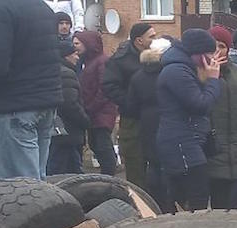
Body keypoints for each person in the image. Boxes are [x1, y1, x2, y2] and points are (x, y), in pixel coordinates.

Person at [0, 0, 61, 181]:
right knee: (37, 185)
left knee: (18, 190)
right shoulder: (42, 7)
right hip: (44, 103)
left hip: (13, 106)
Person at [157, 29, 224, 211]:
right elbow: (201, 104)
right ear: (198, 53)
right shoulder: (176, 71)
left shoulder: (183, 68)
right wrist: (213, 81)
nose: (212, 59)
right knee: (195, 197)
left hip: (187, 141)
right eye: (210, 54)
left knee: (193, 195)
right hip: (181, 143)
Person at [204, 25, 237, 210]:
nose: (218, 51)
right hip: (215, 145)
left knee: (235, 196)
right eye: (214, 46)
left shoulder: (235, 70)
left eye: (222, 46)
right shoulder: (200, 71)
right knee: (218, 196)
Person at [103, 23, 156, 188]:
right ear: (139, 40)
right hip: (133, 121)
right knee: (136, 167)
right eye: (152, 37)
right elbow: (109, 86)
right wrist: (130, 104)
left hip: (154, 119)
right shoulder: (121, 60)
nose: (155, 40)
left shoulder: (156, 57)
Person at [127, 37, 175, 213]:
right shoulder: (169, 73)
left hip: (146, 123)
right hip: (168, 120)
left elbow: (131, 106)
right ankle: (170, 204)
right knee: (168, 165)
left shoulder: (138, 76)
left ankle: (155, 202)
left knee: (152, 163)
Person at [75, 31, 118, 176]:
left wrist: (91, 107)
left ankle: (110, 176)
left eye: (77, 44)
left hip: (101, 112)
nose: (75, 47)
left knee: (102, 145)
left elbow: (104, 87)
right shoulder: (86, 62)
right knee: (95, 144)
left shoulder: (102, 61)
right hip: (93, 111)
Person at [47, 39, 90, 175]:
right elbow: (70, 104)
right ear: (66, 55)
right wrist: (85, 121)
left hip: (59, 133)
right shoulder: (66, 74)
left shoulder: (55, 71)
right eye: (74, 54)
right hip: (68, 134)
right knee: (70, 172)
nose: (77, 57)